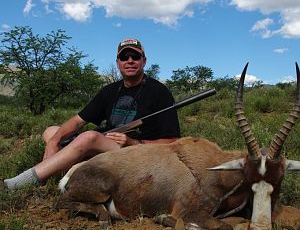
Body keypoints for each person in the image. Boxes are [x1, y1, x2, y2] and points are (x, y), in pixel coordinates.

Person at [2, 38, 181, 190]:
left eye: (135, 56)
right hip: (107, 146)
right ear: (118, 62)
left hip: (136, 153)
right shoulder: (109, 90)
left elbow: (172, 142)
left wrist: (133, 142)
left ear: (144, 61)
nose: (130, 60)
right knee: (51, 131)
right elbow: (78, 121)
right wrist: (54, 141)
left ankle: (21, 182)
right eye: (124, 57)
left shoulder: (160, 91)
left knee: (89, 137)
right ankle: (62, 169)